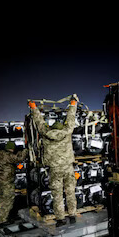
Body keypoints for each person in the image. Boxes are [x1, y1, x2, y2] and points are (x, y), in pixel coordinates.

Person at [29, 96, 78, 227]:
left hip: (55, 169)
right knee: (70, 191)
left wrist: (33, 107)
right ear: (62, 127)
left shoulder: (46, 133)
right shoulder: (67, 132)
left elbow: (39, 121)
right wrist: (73, 104)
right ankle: (72, 215)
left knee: (57, 194)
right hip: (68, 167)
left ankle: (61, 219)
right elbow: (71, 118)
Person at [0, 141, 28, 226]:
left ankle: (0, 218)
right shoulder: (7, 155)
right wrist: (25, 151)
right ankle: (4, 220)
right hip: (6, 182)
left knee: (1, 199)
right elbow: (18, 159)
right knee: (8, 200)